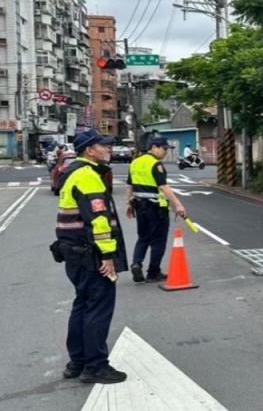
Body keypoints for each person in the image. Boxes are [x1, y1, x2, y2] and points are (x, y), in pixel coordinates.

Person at [54, 128, 128, 384]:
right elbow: (98, 220)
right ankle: (96, 366)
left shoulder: (71, 174)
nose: (108, 148)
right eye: (103, 145)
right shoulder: (87, 176)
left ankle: (78, 361)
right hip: (91, 256)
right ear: (89, 150)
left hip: (73, 254)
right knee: (98, 308)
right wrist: (107, 256)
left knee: (82, 306)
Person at [125, 137, 187, 283]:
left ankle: (136, 263)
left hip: (139, 206)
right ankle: (153, 272)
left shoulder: (135, 162)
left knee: (143, 238)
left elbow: (129, 185)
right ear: (154, 147)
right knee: (158, 240)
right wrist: (178, 204)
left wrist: (128, 203)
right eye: (164, 148)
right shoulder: (155, 164)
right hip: (156, 208)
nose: (165, 152)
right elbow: (163, 187)